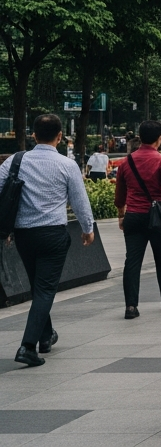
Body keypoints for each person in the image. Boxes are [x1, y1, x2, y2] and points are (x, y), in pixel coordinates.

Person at [5, 114, 96, 368]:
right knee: (45, 290)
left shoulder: (16, 160)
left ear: (33, 135)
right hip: (53, 235)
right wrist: (88, 229)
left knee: (38, 287)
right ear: (59, 137)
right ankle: (27, 346)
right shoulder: (66, 165)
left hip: (24, 234)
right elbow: (80, 200)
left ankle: (46, 336)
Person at [115, 120, 161, 320]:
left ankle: (131, 306)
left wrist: (121, 214)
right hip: (158, 218)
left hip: (134, 216)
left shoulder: (126, 162)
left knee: (132, 261)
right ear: (160, 139)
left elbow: (120, 194)